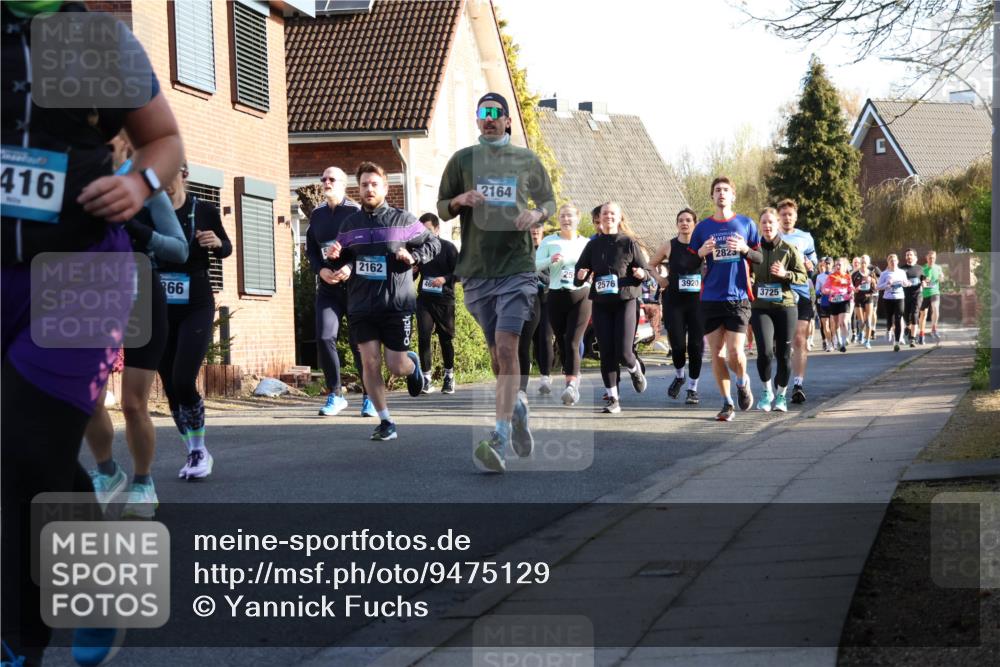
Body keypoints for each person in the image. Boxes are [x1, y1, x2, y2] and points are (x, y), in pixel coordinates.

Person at [1, 3, 184, 664]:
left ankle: (17, 643)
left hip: (79, 269)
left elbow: (166, 140)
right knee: (24, 452)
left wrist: (139, 183)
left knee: (24, 446)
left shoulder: (98, 40)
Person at [436, 92, 555, 473]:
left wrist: (536, 215)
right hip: (477, 271)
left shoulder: (526, 159)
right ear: (477, 120)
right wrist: (460, 200)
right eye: (483, 113)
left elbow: (549, 202)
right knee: (496, 358)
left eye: (495, 113)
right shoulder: (462, 160)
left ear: (507, 121)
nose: (488, 119)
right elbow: (441, 207)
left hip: (517, 269)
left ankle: (499, 438)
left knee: (507, 349)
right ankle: (517, 409)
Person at [83, 151, 190, 519]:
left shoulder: (145, 189)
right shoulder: (77, 183)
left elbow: (179, 248)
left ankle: (143, 484)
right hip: (92, 295)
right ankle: (107, 471)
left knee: (132, 403)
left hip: (141, 293)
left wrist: (138, 230)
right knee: (88, 398)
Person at [326, 162, 439, 440]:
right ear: (358, 189)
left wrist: (413, 257)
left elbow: (433, 244)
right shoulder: (350, 225)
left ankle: (411, 365)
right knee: (370, 362)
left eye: (374, 184)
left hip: (395, 304)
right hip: (361, 305)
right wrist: (335, 256)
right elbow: (344, 257)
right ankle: (386, 421)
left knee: (396, 366)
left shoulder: (403, 220)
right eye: (364, 184)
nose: (369, 189)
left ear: (385, 188)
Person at [157, 166, 233, 480]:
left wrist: (216, 242)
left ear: (183, 173)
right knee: (169, 385)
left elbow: (226, 247)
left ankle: (200, 449)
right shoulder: (148, 210)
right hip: (158, 302)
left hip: (196, 300)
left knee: (183, 379)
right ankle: (192, 451)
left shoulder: (203, 210)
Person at [688, 177, 763, 422]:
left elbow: (759, 258)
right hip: (710, 298)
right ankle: (727, 403)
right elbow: (688, 263)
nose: (721, 193)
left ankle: (742, 382)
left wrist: (745, 250)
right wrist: (700, 253)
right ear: (712, 196)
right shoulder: (702, 228)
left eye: (725, 190)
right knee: (716, 354)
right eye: (717, 190)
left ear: (733, 196)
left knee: (735, 353)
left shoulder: (746, 224)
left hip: (738, 297)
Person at [306, 166, 373, 416]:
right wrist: (320, 270)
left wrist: (350, 267)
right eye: (323, 178)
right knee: (325, 337)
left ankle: (369, 396)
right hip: (328, 287)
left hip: (355, 288)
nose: (326, 182)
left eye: (331, 179)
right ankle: (335, 394)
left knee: (358, 344)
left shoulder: (355, 212)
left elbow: (368, 247)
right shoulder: (317, 214)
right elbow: (312, 250)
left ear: (344, 184)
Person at [574, 202, 649, 414]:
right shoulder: (593, 245)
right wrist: (580, 275)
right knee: (606, 352)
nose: (608, 216)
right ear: (600, 218)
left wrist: (641, 274)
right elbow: (579, 273)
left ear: (619, 217)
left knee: (624, 352)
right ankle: (613, 398)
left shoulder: (628, 242)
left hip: (626, 301)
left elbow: (646, 271)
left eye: (612, 213)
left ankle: (634, 369)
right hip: (601, 303)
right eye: (605, 213)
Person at [749, 208, 808, 411]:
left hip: (785, 307)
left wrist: (786, 274)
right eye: (764, 222)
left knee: (783, 354)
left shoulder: (788, 249)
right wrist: (749, 280)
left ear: (777, 225)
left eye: (771, 222)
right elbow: (745, 272)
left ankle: (781, 395)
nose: (767, 226)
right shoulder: (753, 250)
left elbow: (803, 276)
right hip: (760, 308)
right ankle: (767, 392)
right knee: (765, 352)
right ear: (760, 225)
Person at [536, 204, 591, 405]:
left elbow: (596, 266)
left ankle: (571, 386)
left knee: (573, 341)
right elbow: (535, 265)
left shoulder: (586, 243)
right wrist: (550, 260)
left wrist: (588, 273)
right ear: (558, 219)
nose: (566, 219)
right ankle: (574, 376)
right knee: (561, 341)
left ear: (577, 218)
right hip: (556, 295)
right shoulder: (549, 241)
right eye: (562, 216)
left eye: (570, 216)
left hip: (581, 295)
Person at [650, 207, 704, 405]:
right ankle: (680, 376)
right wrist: (660, 279)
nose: (684, 223)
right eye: (681, 220)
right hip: (674, 302)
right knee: (678, 345)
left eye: (688, 220)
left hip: (697, 302)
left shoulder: (702, 245)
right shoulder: (669, 245)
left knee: (696, 346)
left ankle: (692, 388)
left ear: (695, 224)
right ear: (677, 224)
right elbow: (650, 264)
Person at [775, 199, 818, 404]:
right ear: (778, 217)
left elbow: (813, 263)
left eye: (790, 214)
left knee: (800, 339)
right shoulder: (770, 235)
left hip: (800, 292)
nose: (787, 218)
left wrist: (811, 265)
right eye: (783, 214)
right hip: (777, 294)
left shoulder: (805, 237)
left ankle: (798, 385)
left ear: (795, 217)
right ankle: (781, 378)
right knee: (780, 343)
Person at [415, 212, 459, 393]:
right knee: (423, 337)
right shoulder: (419, 249)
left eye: (429, 230)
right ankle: (426, 378)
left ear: (437, 229)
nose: (425, 234)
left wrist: (445, 279)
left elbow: (461, 273)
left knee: (445, 339)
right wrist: (412, 270)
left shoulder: (448, 248)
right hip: (425, 299)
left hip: (444, 300)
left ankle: (449, 376)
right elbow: (413, 275)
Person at [519, 225, 554, 395]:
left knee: (544, 337)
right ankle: (522, 383)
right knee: (525, 340)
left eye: (538, 227)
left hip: (546, 298)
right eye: (531, 228)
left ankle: (545, 376)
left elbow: (553, 277)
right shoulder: (521, 250)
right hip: (528, 300)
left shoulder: (549, 249)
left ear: (543, 230)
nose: (534, 231)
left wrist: (537, 273)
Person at [822, 257, 855, 353]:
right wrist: (829, 291)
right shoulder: (831, 277)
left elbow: (850, 287)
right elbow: (824, 289)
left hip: (845, 300)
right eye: (836, 264)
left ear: (844, 266)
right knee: (836, 323)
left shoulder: (847, 276)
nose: (838, 266)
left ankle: (843, 343)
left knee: (843, 322)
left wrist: (852, 292)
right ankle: (839, 341)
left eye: (840, 265)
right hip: (833, 301)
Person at [876, 253, 908, 352]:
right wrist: (887, 284)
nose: (893, 262)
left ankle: (897, 342)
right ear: (888, 263)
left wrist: (905, 283)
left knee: (898, 318)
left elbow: (905, 283)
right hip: (888, 298)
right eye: (891, 261)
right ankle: (889, 329)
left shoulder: (902, 272)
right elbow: (878, 287)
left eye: (894, 260)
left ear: (897, 261)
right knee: (889, 318)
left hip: (900, 297)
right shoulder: (884, 273)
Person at [899, 248, 925, 347]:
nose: (909, 256)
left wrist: (924, 283)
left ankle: (912, 339)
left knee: (915, 314)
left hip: (917, 295)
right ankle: (908, 326)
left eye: (910, 255)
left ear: (915, 257)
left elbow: (923, 279)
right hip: (905, 295)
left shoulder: (920, 268)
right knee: (905, 315)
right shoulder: (902, 269)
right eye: (907, 255)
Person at [851, 254, 878, 349]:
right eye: (862, 262)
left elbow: (876, 287)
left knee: (869, 321)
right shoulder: (855, 274)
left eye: (865, 263)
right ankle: (861, 333)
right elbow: (851, 287)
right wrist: (855, 289)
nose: (863, 264)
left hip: (868, 297)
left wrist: (872, 280)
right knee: (861, 322)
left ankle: (867, 341)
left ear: (868, 263)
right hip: (858, 299)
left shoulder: (871, 273)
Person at [918, 250, 943, 344]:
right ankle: (921, 335)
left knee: (935, 309)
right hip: (925, 294)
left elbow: (941, 278)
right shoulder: (922, 269)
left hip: (935, 292)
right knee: (923, 314)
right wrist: (924, 283)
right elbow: (922, 282)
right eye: (930, 258)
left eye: (933, 258)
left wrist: (941, 277)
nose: (932, 259)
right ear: (926, 258)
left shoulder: (938, 268)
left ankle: (934, 329)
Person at [814, 258, 833, 352]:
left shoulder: (835, 275)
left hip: (834, 303)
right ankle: (829, 343)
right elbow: (816, 291)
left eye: (829, 263)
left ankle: (834, 340)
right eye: (826, 263)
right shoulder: (819, 277)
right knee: (825, 324)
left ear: (832, 264)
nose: (827, 265)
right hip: (824, 302)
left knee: (833, 325)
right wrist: (821, 292)